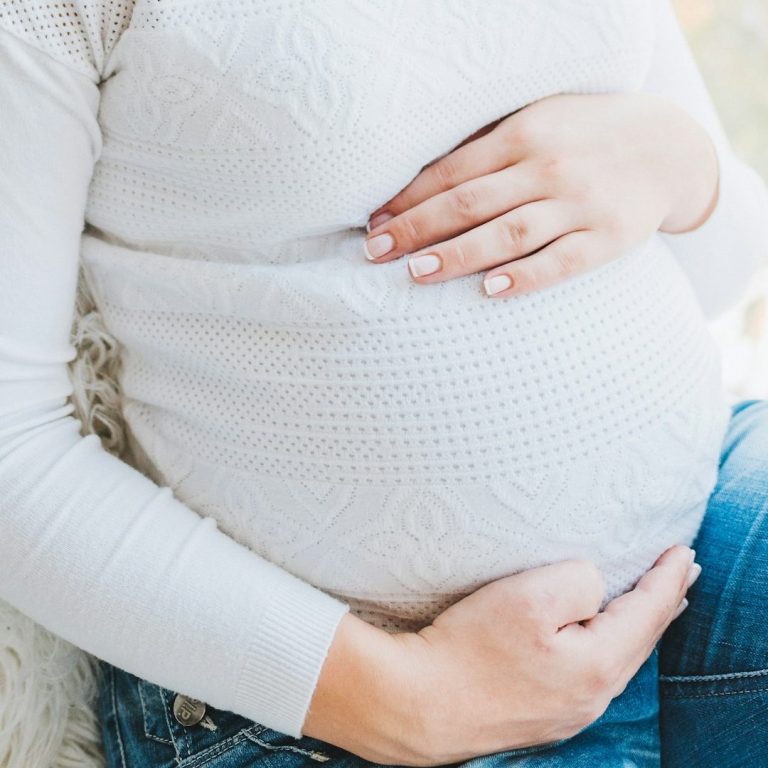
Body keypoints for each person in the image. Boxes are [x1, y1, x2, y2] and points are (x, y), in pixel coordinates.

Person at [0, 2, 766, 768]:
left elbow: (718, 270)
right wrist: (406, 701)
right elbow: (11, 448)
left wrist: (683, 164)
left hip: (698, 549)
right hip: (327, 712)